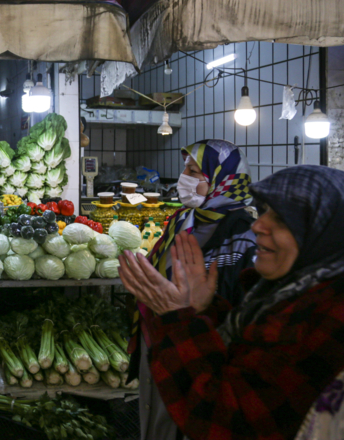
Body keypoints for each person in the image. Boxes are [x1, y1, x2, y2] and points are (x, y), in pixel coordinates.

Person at [119, 165, 344, 440]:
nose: (258, 225)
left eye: (282, 219)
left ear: (325, 232)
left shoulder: (329, 318)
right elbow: (243, 359)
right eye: (264, 211)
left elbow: (229, 421)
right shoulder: (283, 293)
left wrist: (176, 319)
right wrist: (204, 310)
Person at [130, 139, 258, 440]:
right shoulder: (182, 219)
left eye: (194, 171)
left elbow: (240, 304)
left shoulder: (243, 234)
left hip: (201, 350)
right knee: (155, 420)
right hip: (162, 340)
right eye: (185, 168)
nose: (183, 178)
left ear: (222, 178)